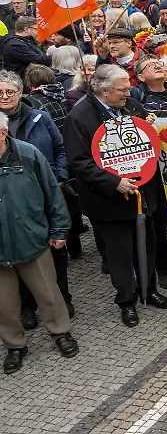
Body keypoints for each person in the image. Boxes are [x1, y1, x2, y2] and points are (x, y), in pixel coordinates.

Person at [64, 65, 167, 327]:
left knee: (146, 246)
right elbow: (78, 162)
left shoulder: (130, 105)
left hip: (142, 195)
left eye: (128, 88)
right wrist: (114, 182)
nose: (129, 93)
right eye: (123, 90)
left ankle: (149, 290)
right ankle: (127, 301)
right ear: (104, 91)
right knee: (120, 255)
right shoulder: (79, 117)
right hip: (109, 202)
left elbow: (150, 122)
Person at [0, 111, 78, 374]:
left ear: (3, 133)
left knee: (47, 292)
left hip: (31, 238)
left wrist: (59, 230)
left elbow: (52, 193)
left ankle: (61, 332)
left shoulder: (28, 154)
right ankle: (15, 346)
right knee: (4, 303)